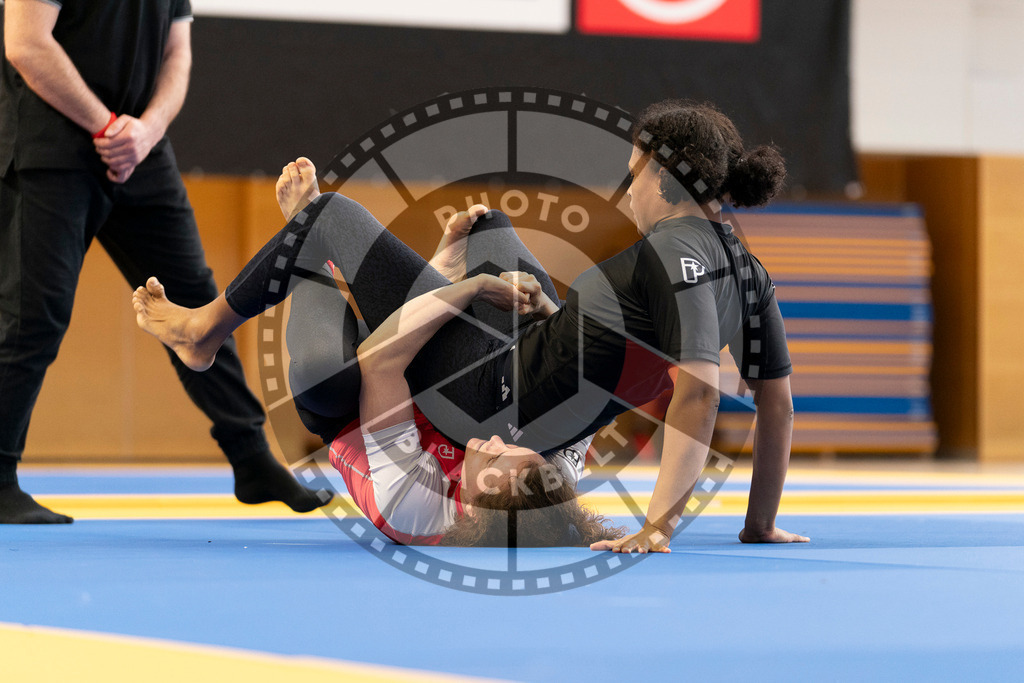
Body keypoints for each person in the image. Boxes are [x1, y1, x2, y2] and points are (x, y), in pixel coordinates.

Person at [131, 100, 807, 551]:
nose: (626, 191)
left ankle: (205, 331)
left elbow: (698, 391)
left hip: (491, 393)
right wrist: (760, 523)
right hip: (538, 372)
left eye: (631, 175)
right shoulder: (747, 269)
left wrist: (658, 526)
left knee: (335, 213)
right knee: (493, 228)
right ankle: (339, 244)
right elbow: (777, 404)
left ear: (660, 177)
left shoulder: (674, 250)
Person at [139, 157, 624, 547]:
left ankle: (209, 327)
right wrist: (539, 308)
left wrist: (468, 288)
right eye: (518, 451)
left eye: (495, 460)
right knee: (491, 229)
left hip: (358, 399)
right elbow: (580, 375)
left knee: (323, 363)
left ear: (471, 507)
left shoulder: (413, 508)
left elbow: (381, 361)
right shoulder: (546, 479)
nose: (499, 442)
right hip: (433, 381)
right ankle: (324, 236)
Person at [0, 0, 329, 524]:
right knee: (31, 315)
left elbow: (178, 54)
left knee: (198, 307)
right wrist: (107, 126)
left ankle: (250, 460)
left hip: (141, 152)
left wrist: (146, 131)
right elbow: (25, 42)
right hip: (52, 146)